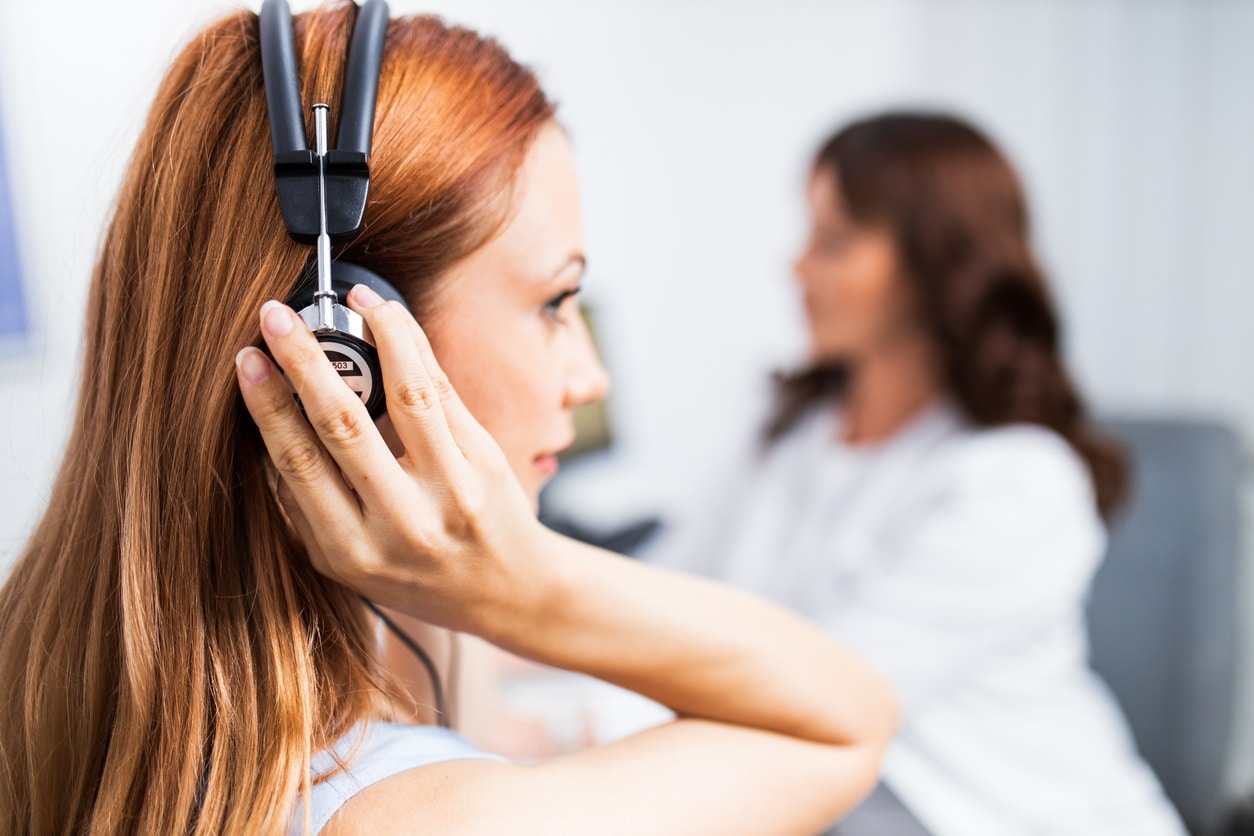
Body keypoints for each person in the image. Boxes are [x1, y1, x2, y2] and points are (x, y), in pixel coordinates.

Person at [0, 3, 898, 834]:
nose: (588, 378)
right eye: (556, 301)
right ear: (344, 348)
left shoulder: (39, 669)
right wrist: (523, 587)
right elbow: (847, 725)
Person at [645, 113, 1187, 836]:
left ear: (936, 264)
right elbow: (664, 596)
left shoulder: (1017, 482)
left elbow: (823, 695)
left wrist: (568, 725)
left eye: (831, 242)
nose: (796, 266)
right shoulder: (795, 430)